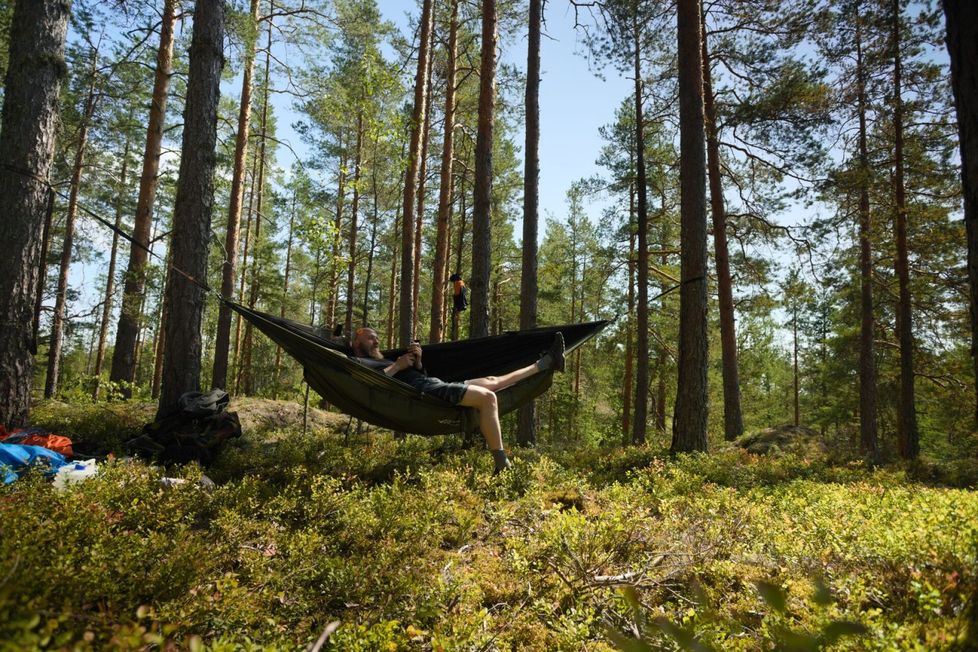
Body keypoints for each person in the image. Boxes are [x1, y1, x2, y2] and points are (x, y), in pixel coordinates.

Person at [351, 327, 565, 473]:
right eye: (370, 337)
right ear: (357, 340)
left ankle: (544, 363)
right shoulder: (360, 363)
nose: (376, 340)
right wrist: (397, 365)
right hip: (426, 394)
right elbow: (371, 385)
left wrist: (417, 363)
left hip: (432, 384)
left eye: (376, 337)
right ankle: (502, 464)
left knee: (493, 381)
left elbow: (413, 377)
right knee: (488, 398)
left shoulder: (384, 360)